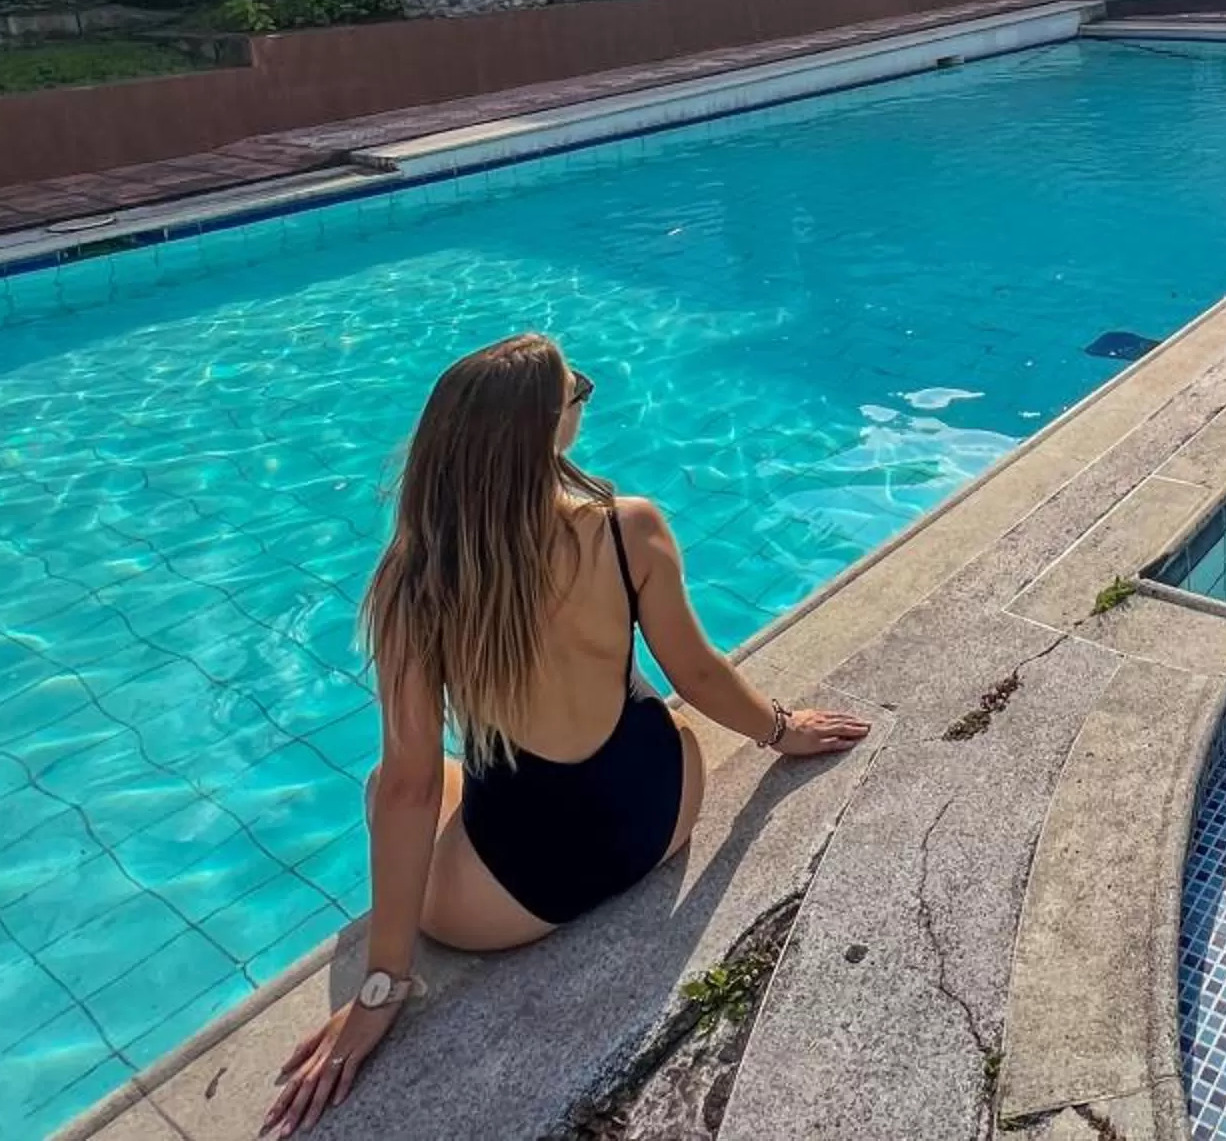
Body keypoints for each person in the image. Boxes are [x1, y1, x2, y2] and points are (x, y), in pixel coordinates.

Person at [264, 334, 870, 1137]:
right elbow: (694, 674)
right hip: (663, 809)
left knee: (389, 785)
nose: (586, 396)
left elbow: (412, 787)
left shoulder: (417, 584)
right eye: (575, 390)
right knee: (632, 688)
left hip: (516, 900)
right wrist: (781, 730)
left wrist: (382, 983)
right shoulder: (630, 528)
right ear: (544, 430)